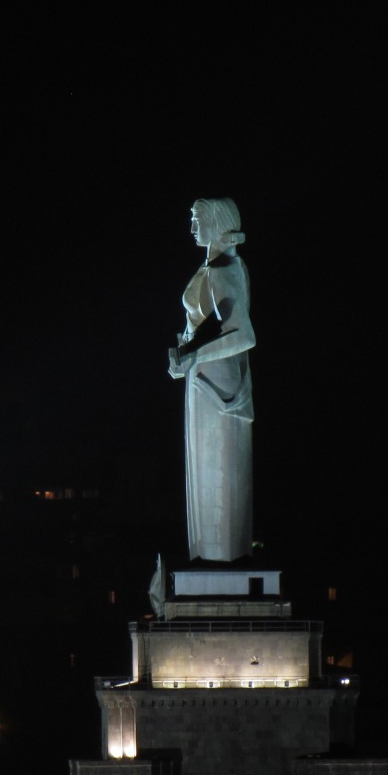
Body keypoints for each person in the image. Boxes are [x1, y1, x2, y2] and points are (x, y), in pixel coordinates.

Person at [167, 197, 255, 562]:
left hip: (218, 388)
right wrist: (187, 354)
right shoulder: (215, 266)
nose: (191, 228)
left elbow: (244, 335)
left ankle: (222, 565)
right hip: (207, 383)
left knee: (217, 488)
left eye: (197, 219)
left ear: (218, 222)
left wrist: (194, 356)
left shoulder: (224, 269)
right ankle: (209, 562)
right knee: (204, 490)